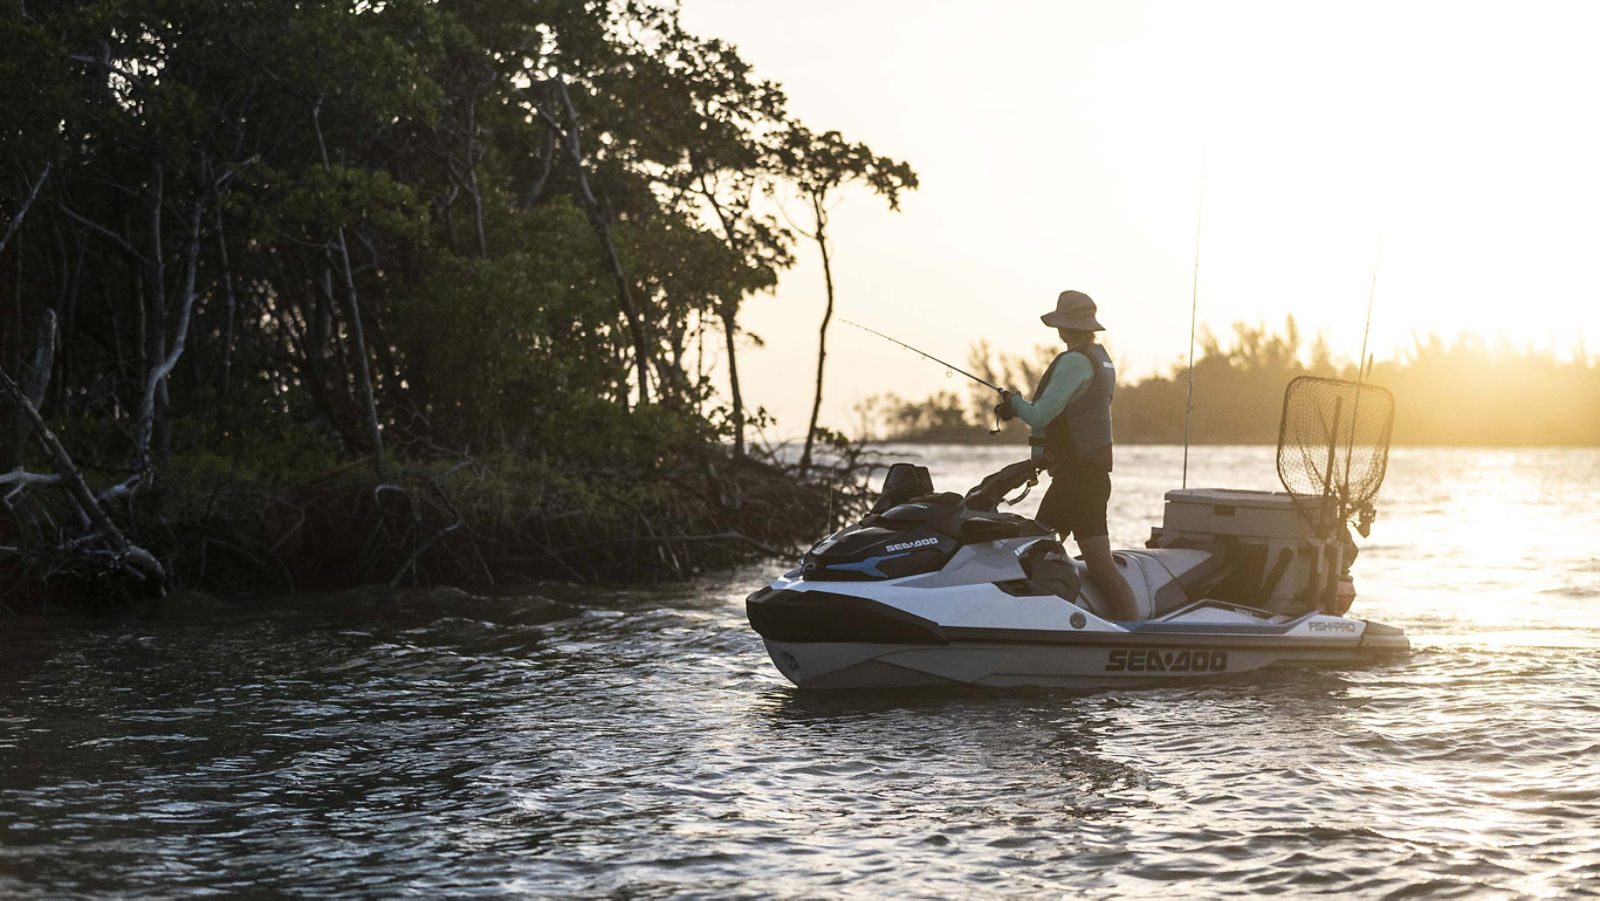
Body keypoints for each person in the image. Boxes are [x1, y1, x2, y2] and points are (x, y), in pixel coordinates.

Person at [995, 290, 1141, 620]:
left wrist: (1015, 402)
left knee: (1098, 567)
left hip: (1080, 482)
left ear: (1063, 327)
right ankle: (1051, 618)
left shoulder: (1074, 361)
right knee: (1032, 548)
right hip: (1081, 479)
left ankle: (1135, 633)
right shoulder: (1098, 358)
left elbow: (1040, 416)